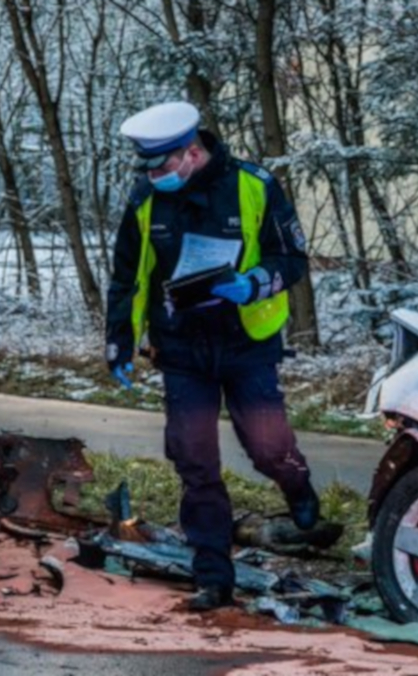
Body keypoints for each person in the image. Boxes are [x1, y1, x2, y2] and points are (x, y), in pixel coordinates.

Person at [104, 101, 320, 611]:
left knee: (266, 445)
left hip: (246, 341)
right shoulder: (146, 200)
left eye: (161, 166)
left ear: (192, 152)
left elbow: (291, 258)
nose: (154, 176)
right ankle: (213, 578)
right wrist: (119, 339)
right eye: (148, 168)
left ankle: (297, 484)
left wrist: (253, 284)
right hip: (181, 346)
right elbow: (128, 278)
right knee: (195, 459)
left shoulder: (254, 185)